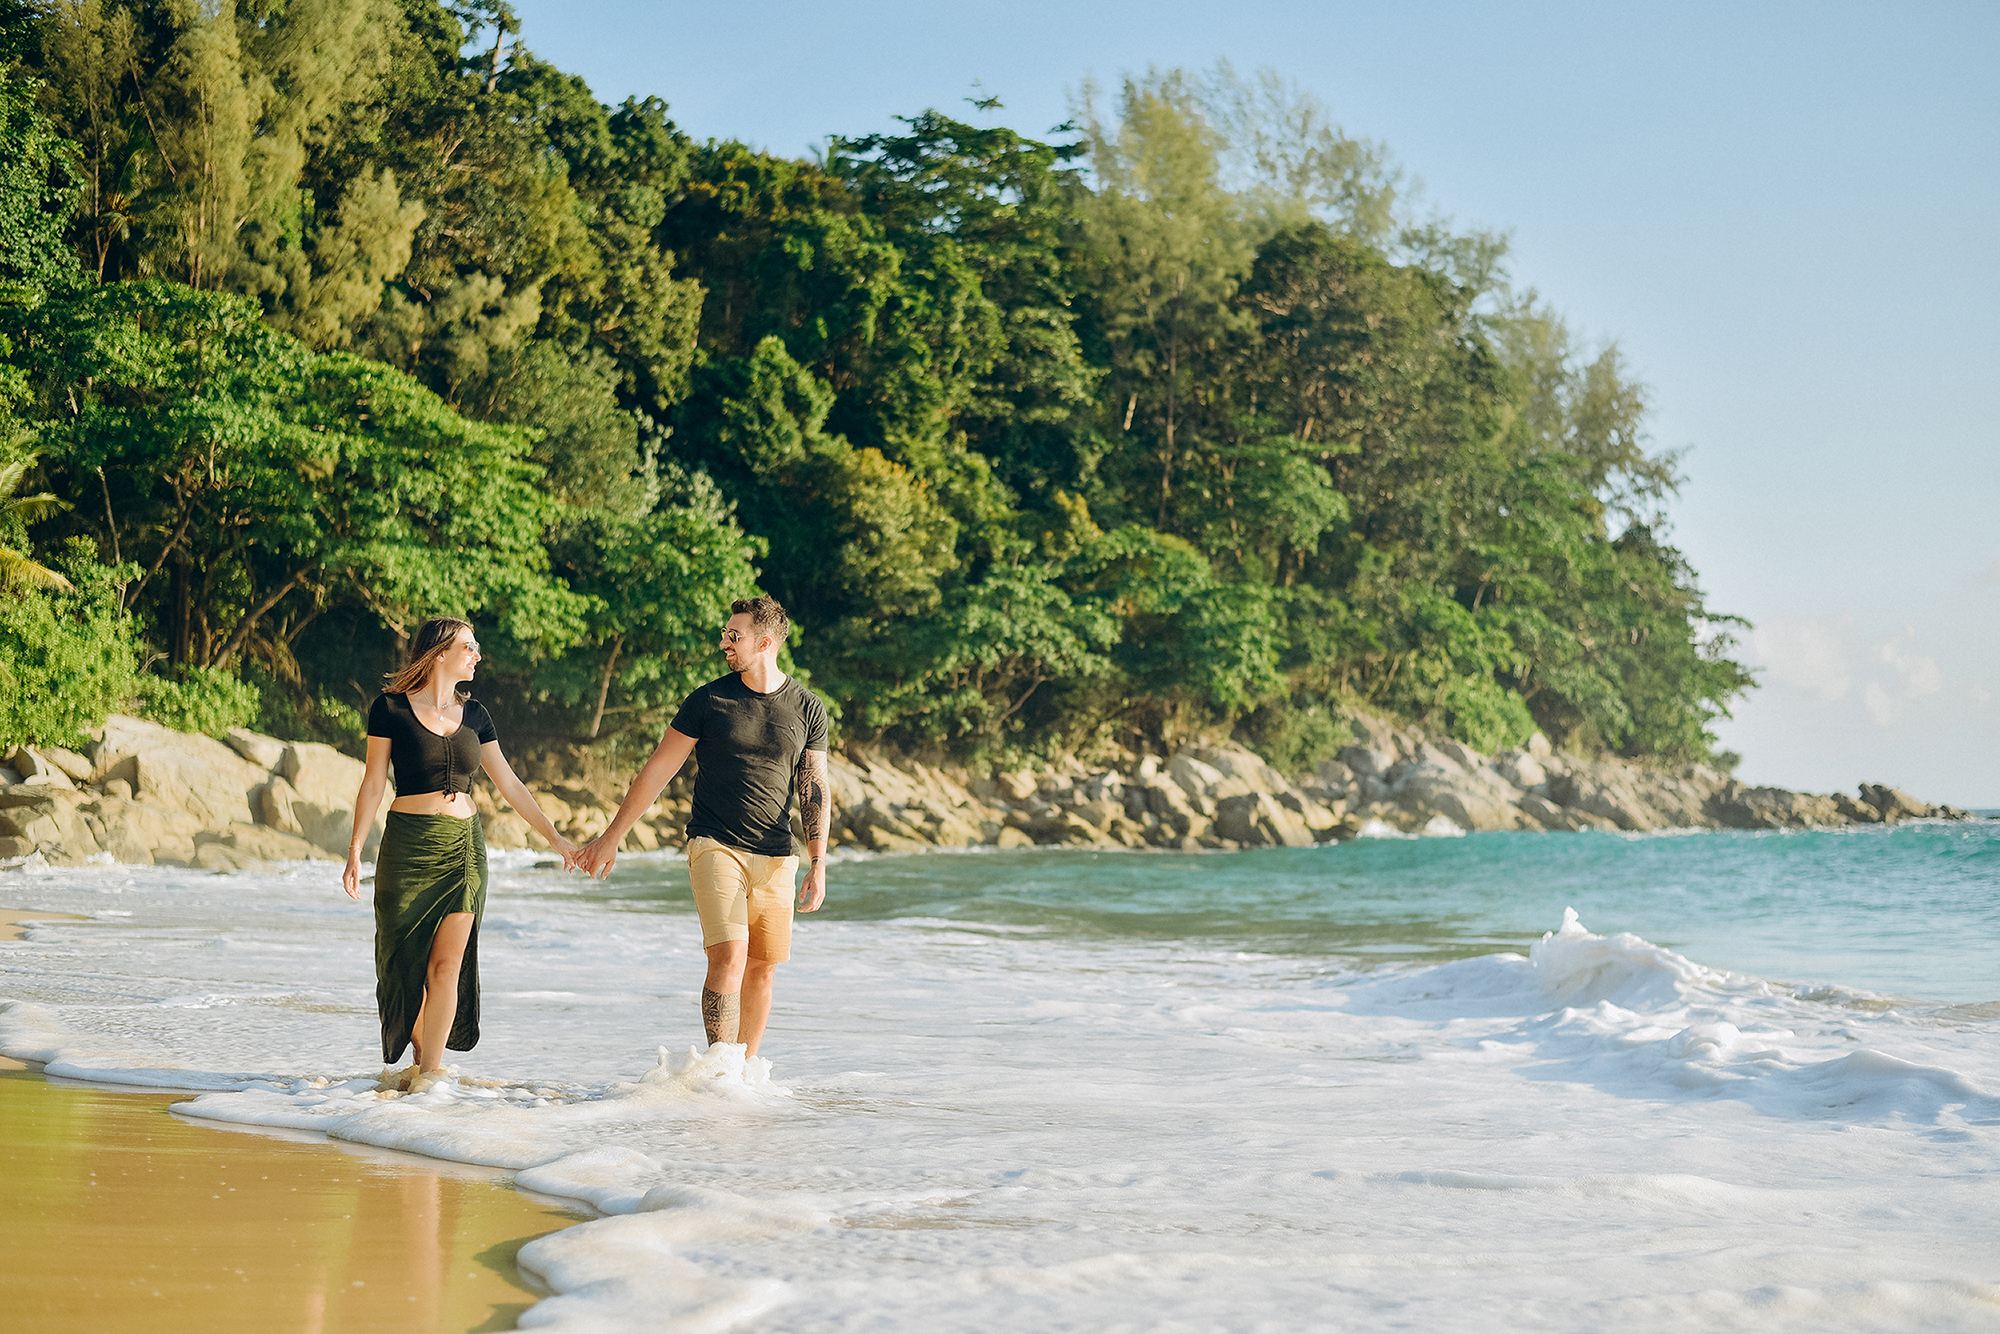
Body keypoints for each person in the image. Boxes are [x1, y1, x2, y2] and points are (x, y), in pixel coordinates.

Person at [575, 596, 830, 1057]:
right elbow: (658, 769)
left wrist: (818, 862)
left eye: (735, 636)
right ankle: (719, 1066)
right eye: (725, 634)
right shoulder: (709, 699)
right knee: (729, 954)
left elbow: (812, 788)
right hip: (715, 844)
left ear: (766, 642)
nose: (724, 642)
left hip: (776, 853)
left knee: (763, 967)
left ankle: (745, 1073)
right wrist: (613, 836)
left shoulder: (807, 708)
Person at [342, 617, 578, 1091]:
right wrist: (354, 852)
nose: (477, 655)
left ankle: (430, 1079)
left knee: (447, 966)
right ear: (439, 653)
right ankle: (418, 1063)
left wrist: (557, 840)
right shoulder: (389, 709)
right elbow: (372, 783)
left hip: (464, 851)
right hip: (407, 848)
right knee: (399, 966)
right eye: (469, 647)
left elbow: (509, 784)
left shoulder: (477, 715)